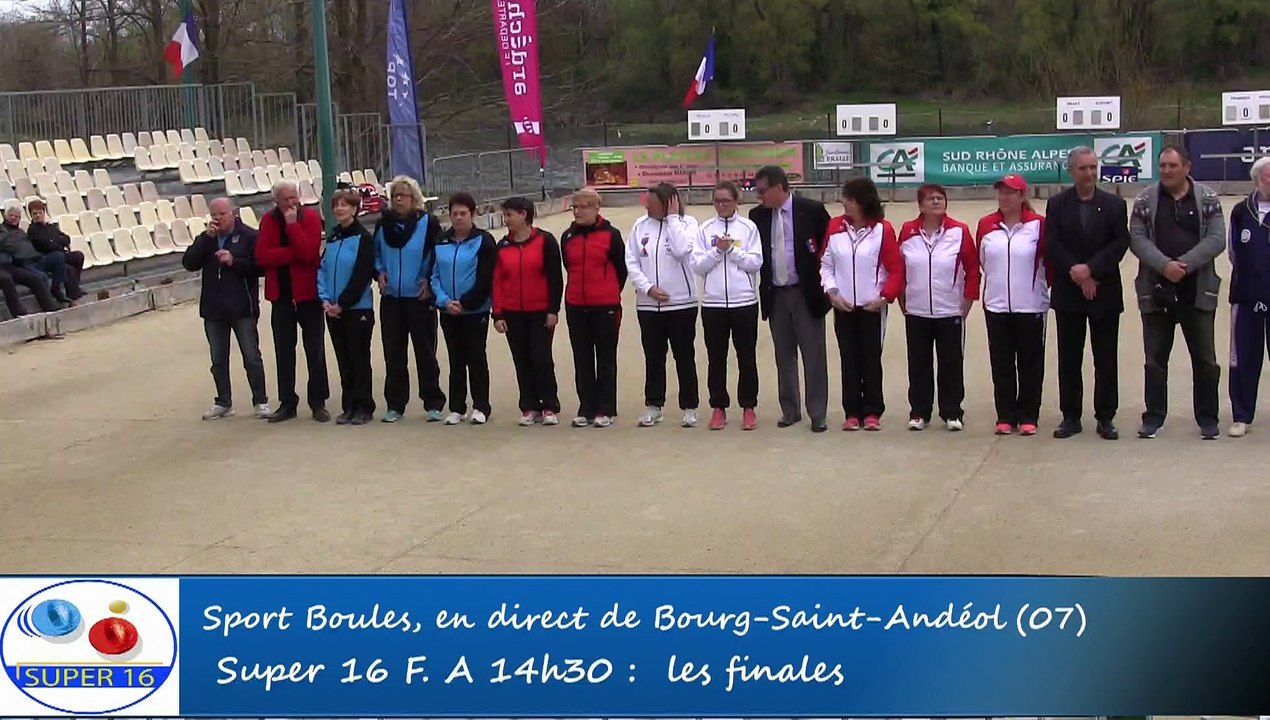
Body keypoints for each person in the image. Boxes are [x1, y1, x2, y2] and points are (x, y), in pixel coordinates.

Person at [1129, 145, 1226, 440]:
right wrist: (1164, 265)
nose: (1167, 171)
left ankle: (1208, 418)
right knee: (1155, 360)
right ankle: (1154, 417)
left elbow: (1217, 238)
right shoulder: (1146, 199)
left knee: (1205, 360)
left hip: (1196, 290)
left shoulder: (1207, 198)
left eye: (1173, 165)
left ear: (1187, 167)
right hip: (1157, 290)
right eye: (1163, 166)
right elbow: (1137, 238)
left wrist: (1185, 265)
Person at [1044, 146, 1131, 440]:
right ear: (1071, 171)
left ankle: (1106, 417)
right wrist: (1077, 273)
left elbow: (1120, 244)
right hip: (1069, 292)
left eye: (1093, 167)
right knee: (1069, 358)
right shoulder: (1056, 205)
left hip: (1104, 291)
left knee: (1105, 358)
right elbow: (1052, 244)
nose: (1090, 173)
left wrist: (1092, 270)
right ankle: (1071, 416)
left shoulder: (1114, 204)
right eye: (1083, 168)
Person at [750, 165, 832, 433]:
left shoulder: (811, 210)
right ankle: (790, 409)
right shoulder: (758, 216)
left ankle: (817, 412)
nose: (759, 196)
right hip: (776, 293)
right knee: (783, 355)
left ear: (779, 187)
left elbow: (828, 248)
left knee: (813, 355)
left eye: (763, 191)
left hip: (805, 292)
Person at [820, 178, 904, 431]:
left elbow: (895, 269)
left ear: (863, 201)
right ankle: (852, 412)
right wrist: (832, 292)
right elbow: (825, 264)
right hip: (843, 305)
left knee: (870, 358)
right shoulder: (834, 227)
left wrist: (884, 297)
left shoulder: (883, 230)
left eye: (850, 198)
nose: (844, 202)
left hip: (872, 307)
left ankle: (872, 411)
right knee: (849, 358)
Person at [897, 184, 978, 432]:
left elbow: (973, 270)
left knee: (951, 363)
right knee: (918, 363)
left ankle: (952, 411)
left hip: (949, 310)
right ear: (920, 205)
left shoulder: (959, 231)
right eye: (930, 199)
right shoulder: (908, 231)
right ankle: (920, 412)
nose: (935, 202)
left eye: (940, 198)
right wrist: (903, 301)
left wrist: (966, 303)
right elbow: (899, 269)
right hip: (917, 310)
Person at [182, 197, 269, 420]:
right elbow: (189, 263)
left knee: (251, 356)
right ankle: (223, 402)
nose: (218, 219)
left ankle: (260, 401)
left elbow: (261, 267)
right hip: (214, 309)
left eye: (222, 214)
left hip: (242, 307)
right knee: (218, 359)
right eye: (214, 215)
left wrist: (234, 261)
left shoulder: (250, 236)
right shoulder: (207, 239)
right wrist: (205, 240)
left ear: (233, 213)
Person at [977, 174, 1049, 436]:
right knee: (1002, 362)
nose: (1005, 197)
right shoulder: (986, 225)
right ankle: (1005, 415)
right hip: (996, 305)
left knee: (1030, 363)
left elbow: (1047, 263)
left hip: (1030, 305)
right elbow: (983, 260)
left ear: (1022, 196)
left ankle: (1029, 414)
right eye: (1001, 192)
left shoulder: (1039, 225)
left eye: (1011, 193)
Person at [625, 182, 701, 428]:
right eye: (646, 202)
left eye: (653, 203)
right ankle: (653, 405)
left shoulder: (688, 224)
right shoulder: (640, 225)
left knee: (684, 356)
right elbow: (632, 261)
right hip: (648, 305)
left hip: (681, 304)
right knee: (653, 356)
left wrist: (672, 219)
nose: (647, 207)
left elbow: (681, 251)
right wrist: (647, 288)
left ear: (669, 202)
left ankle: (689, 407)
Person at [255, 179, 330, 423]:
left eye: (294, 197)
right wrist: (292, 254)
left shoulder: (308, 218)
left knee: (315, 350)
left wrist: (291, 227)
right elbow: (262, 256)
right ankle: (287, 403)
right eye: (286, 199)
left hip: (308, 296)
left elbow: (309, 253)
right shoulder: (267, 220)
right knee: (283, 352)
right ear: (276, 201)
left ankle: (318, 402)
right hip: (282, 298)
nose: (291, 203)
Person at [692, 181, 763, 431]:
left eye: (726, 200)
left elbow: (756, 263)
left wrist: (732, 250)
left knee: (746, 357)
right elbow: (697, 266)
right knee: (716, 358)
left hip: (744, 302)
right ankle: (718, 407)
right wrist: (716, 252)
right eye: (717, 201)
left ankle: (748, 407)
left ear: (736, 201)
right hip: (713, 304)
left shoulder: (748, 228)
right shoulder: (704, 229)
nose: (721, 205)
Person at [375, 175, 445, 424]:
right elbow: (376, 254)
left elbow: (436, 253)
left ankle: (433, 402)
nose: (398, 199)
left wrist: (428, 279)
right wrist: (379, 272)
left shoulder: (429, 223)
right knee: (393, 354)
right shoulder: (383, 225)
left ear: (414, 198)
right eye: (394, 195)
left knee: (425, 352)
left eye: (403, 195)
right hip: (392, 298)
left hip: (419, 297)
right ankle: (395, 404)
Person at [493, 196, 564, 426]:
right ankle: (529, 405)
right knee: (521, 360)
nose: (506, 220)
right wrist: (499, 313)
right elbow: (497, 282)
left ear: (524, 215)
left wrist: (553, 309)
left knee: (541, 358)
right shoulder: (502, 246)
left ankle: (549, 406)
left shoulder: (546, 241)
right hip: (513, 312)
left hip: (540, 311)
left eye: (509, 215)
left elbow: (555, 278)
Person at [560, 188, 627, 428]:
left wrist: (608, 291)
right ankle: (586, 407)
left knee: (606, 358)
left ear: (597, 208)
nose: (578, 211)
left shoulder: (611, 235)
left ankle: (606, 408)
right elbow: (569, 267)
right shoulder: (568, 236)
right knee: (582, 358)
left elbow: (621, 269)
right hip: (576, 306)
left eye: (584, 206)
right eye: (575, 206)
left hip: (605, 306)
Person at [430, 191, 497, 426]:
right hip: (448, 310)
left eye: (463, 213)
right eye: (454, 213)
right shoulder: (441, 240)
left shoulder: (484, 241)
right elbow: (434, 275)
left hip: (475, 311)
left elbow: (485, 278)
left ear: (473, 214)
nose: (458, 218)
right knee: (455, 359)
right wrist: (444, 300)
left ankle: (481, 406)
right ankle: (457, 407)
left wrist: (466, 303)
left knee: (476, 357)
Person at [318, 186, 377, 426]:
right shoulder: (332, 237)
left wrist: (342, 303)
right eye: (336, 205)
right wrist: (325, 299)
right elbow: (322, 270)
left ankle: (364, 406)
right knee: (343, 359)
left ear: (355, 208)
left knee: (359, 358)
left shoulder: (364, 238)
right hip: (332, 309)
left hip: (357, 309)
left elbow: (362, 276)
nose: (339, 209)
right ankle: (349, 406)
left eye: (345, 204)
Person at [1228, 157, 1270, 438]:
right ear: (1257, 179)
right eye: (1268, 176)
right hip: (1246, 296)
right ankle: (1242, 416)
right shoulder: (1242, 211)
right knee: (1244, 358)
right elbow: (1233, 252)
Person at [0, 206, 68, 310]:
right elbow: (11, 247)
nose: (14, 218)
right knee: (40, 277)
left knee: (60, 258)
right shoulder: (3, 231)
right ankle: (48, 306)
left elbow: (65, 238)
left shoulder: (21, 231)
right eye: (11, 215)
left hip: (37, 258)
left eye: (17, 216)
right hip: (23, 263)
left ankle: (57, 292)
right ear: (5, 216)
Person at [26, 199, 85, 302]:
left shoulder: (51, 227)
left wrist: (55, 241)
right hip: (47, 258)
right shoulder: (32, 230)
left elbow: (66, 238)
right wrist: (57, 242)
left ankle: (75, 287)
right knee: (65, 262)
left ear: (44, 213)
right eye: (35, 214)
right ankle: (57, 288)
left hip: (59, 254)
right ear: (31, 215)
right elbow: (46, 246)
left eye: (40, 213)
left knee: (78, 256)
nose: (38, 216)